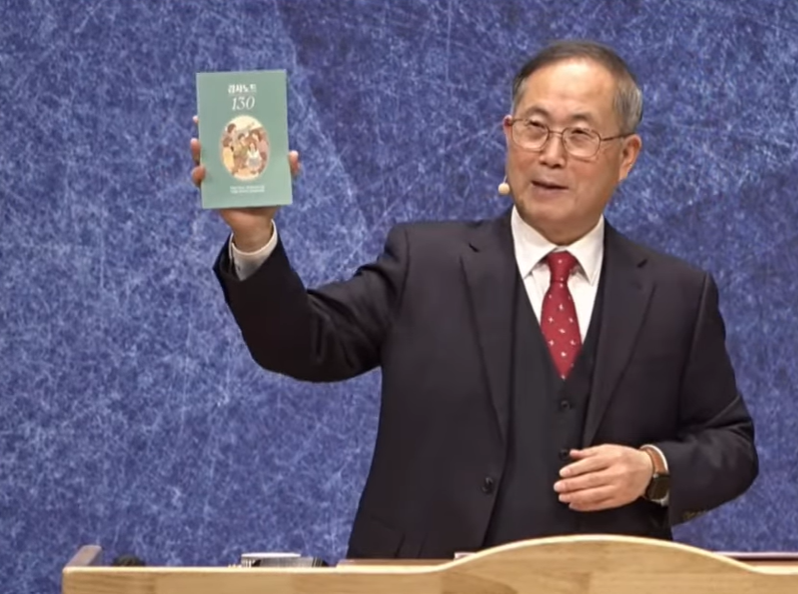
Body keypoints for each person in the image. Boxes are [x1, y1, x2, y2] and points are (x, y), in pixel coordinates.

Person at [190, 40, 757, 559]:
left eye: (580, 135)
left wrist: (652, 468)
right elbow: (302, 343)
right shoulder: (423, 263)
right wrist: (254, 238)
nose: (551, 154)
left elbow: (732, 444)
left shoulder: (677, 293)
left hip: (604, 580)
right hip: (427, 579)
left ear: (627, 156)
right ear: (508, 134)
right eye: (535, 128)